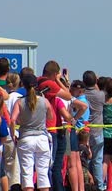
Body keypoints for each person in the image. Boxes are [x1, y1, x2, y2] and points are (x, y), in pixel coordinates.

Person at [10, 74, 53, 191]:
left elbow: (12, 120)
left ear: (23, 85)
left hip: (25, 138)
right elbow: (50, 117)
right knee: (43, 174)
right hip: (42, 138)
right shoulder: (44, 101)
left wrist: (13, 134)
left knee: (27, 174)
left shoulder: (20, 102)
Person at [37, 60, 72, 191]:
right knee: (52, 165)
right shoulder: (49, 83)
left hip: (42, 125)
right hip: (50, 127)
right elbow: (68, 96)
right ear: (54, 74)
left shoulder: (38, 82)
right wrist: (58, 81)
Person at [83, 71, 106, 191]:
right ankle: (99, 186)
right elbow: (99, 91)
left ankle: (86, 184)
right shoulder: (100, 95)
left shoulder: (82, 94)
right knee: (97, 160)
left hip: (84, 131)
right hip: (97, 130)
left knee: (85, 159)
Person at [68, 80, 89, 191]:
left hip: (77, 131)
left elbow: (83, 108)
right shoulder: (83, 99)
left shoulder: (77, 101)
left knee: (73, 163)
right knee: (78, 163)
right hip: (81, 132)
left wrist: (74, 118)